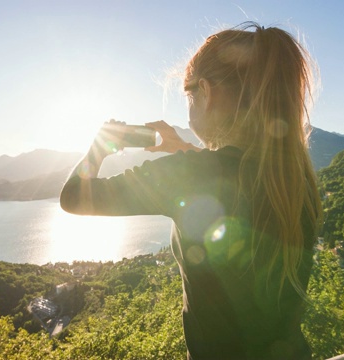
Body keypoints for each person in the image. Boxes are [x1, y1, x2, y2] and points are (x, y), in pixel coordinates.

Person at [60, 21, 322, 359]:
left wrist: (98, 147)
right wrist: (182, 149)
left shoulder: (191, 176)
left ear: (206, 92)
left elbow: (73, 198)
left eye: (189, 96)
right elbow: (230, 177)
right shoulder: (293, 176)